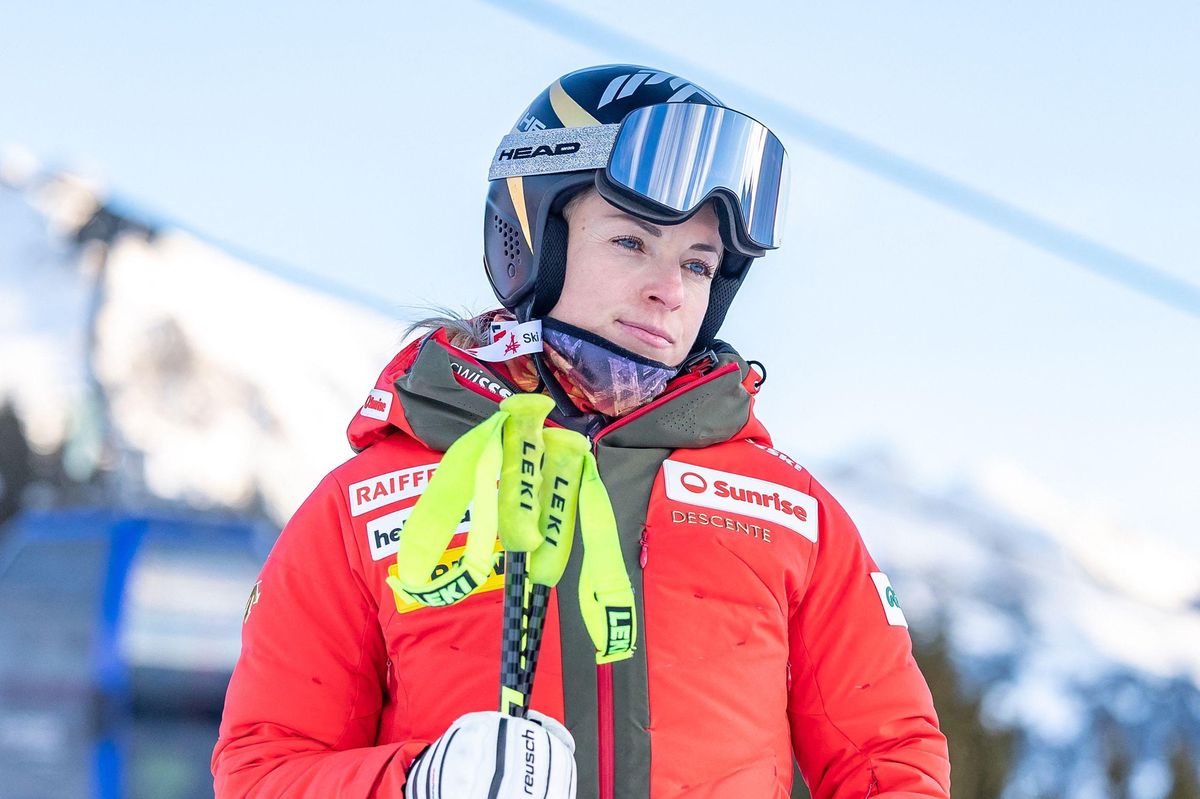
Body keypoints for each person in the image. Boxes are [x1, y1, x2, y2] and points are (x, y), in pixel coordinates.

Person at [212, 64, 951, 799]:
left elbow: (891, 761)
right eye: (631, 242)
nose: (669, 290)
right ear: (535, 238)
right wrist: (416, 783)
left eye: (699, 264)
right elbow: (260, 772)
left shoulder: (787, 513)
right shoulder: (365, 506)